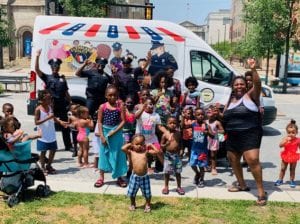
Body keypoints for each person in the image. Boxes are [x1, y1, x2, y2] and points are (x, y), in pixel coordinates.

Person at [223, 58, 267, 206]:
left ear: (246, 84)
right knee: (233, 160)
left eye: (242, 83)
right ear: (233, 86)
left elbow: (258, 84)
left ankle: (261, 191)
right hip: (233, 136)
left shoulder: (251, 96)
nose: (239, 86)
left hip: (250, 133)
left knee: (253, 160)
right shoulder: (229, 100)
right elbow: (224, 117)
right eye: (236, 84)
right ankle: (242, 185)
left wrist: (253, 69)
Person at [35, 49, 72, 151]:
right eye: (53, 66)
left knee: (65, 125)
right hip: (51, 106)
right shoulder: (47, 77)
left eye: (57, 66)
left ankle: (68, 146)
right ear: (51, 67)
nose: (55, 68)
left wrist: (70, 102)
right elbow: (37, 69)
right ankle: (46, 145)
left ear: (59, 67)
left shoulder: (63, 79)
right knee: (48, 125)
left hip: (61, 105)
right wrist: (37, 56)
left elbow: (66, 92)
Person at [94, 85, 128, 188]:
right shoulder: (102, 107)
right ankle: (101, 178)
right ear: (106, 96)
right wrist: (102, 136)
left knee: (118, 155)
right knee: (103, 155)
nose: (112, 97)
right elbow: (99, 122)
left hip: (116, 133)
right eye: (110, 95)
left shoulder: (120, 106)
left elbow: (123, 121)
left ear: (117, 95)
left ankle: (119, 177)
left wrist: (114, 131)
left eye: (115, 95)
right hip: (105, 132)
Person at [122, 134, 159, 213]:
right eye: (137, 144)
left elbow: (157, 151)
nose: (139, 146)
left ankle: (148, 204)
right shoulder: (131, 152)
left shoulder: (145, 152)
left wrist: (151, 145)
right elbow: (123, 148)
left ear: (144, 144)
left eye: (141, 144)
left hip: (144, 177)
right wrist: (130, 144)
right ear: (132, 144)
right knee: (132, 192)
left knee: (147, 193)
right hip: (134, 176)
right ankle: (133, 204)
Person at [34, 90, 65, 175]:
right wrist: (47, 118)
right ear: (41, 100)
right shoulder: (38, 109)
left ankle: (49, 165)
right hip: (43, 134)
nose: (50, 101)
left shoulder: (50, 106)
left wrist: (60, 122)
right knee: (43, 151)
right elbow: (36, 122)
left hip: (51, 133)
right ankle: (42, 167)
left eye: (50, 99)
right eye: (47, 99)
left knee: (53, 150)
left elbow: (52, 117)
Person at [135, 97, 168, 173]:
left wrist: (167, 132)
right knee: (140, 155)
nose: (150, 106)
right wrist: (142, 108)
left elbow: (160, 126)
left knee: (159, 151)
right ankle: (137, 170)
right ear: (144, 104)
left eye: (151, 104)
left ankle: (167, 169)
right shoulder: (140, 113)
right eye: (148, 104)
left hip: (152, 138)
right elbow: (136, 117)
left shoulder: (156, 115)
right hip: (140, 138)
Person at [161, 116, 185, 195]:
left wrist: (182, 150)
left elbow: (181, 143)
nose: (172, 125)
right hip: (168, 156)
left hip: (177, 156)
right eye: (170, 123)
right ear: (167, 124)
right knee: (167, 172)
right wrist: (166, 144)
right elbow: (161, 145)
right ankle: (166, 187)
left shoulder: (178, 133)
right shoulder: (165, 135)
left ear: (177, 124)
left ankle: (179, 187)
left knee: (178, 172)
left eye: (174, 123)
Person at [189, 108, 213, 188]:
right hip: (194, 149)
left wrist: (207, 132)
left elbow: (213, 135)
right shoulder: (193, 124)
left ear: (204, 115)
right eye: (198, 114)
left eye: (202, 114)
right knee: (192, 164)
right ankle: (197, 173)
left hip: (203, 150)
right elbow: (183, 126)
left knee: (202, 166)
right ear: (195, 115)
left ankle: (201, 179)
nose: (200, 116)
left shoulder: (206, 125)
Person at [275, 119, 300, 188]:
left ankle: (292, 180)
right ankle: (280, 179)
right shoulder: (285, 138)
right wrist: (285, 142)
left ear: (296, 132)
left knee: (292, 169)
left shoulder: (298, 140)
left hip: (294, 156)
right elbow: (280, 145)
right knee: (283, 168)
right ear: (287, 132)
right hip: (286, 155)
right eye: (289, 132)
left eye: (293, 132)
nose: (291, 134)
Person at [206, 105, 224, 175]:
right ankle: (207, 166)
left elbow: (222, 131)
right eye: (208, 112)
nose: (209, 113)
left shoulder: (217, 122)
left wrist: (215, 132)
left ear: (215, 114)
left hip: (214, 140)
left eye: (211, 111)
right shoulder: (205, 121)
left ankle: (214, 168)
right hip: (206, 140)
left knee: (213, 155)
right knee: (207, 154)